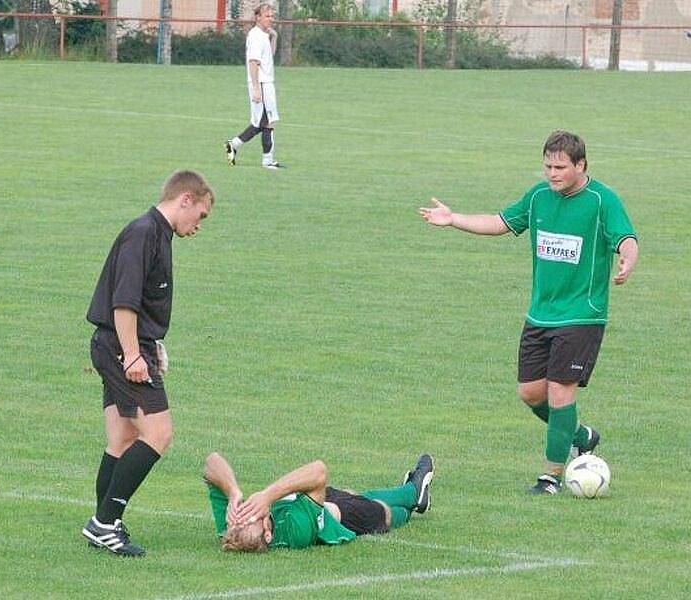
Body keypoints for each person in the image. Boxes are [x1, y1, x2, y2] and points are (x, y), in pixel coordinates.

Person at [419, 130, 639, 495]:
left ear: (580, 165)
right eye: (548, 166)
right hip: (540, 314)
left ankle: (551, 477)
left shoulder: (602, 200)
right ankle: (581, 436)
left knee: (559, 393)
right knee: (530, 393)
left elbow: (626, 238)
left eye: (560, 167)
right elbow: (501, 223)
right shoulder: (538, 197)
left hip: (582, 315)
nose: (552, 174)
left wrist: (627, 261)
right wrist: (453, 218)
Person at [82, 170, 215, 556]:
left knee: (122, 438)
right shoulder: (144, 232)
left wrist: (152, 343)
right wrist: (134, 355)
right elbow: (124, 301)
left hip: (122, 345)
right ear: (185, 199)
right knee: (158, 433)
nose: (199, 225)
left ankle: (104, 521)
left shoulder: (159, 234)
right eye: (201, 215)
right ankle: (104, 523)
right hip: (122, 347)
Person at [203, 452, 435, 552]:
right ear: (268, 534)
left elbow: (211, 462)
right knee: (384, 513)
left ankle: (415, 495)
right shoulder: (295, 530)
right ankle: (414, 494)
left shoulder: (232, 524)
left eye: (242, 518)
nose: (248, 513)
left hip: (310, 496)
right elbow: (319, 471)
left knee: (349, 491)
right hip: (343, 517)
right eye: (254, 517)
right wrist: (267, 496)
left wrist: (233, 492)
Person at [225, 3, 283, 170]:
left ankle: (233, 145)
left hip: (267, 83)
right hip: (262, 84)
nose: (270, 19)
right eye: (267, 16)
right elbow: (253, 63)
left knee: (263, 122)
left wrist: (274, 37)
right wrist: (256, 88)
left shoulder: (263, 35)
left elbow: (269, 56)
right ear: (257, 17)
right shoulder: (256, 36)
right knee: (267, 122)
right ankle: (267, 160)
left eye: (272, 16)